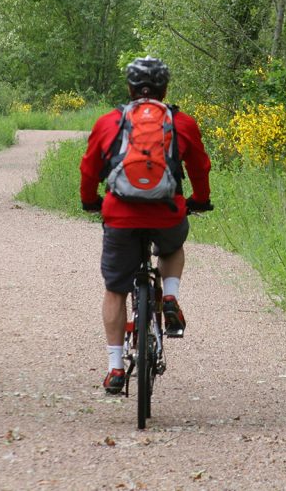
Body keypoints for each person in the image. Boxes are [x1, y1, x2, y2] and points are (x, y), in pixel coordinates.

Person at [79, 56, 213, 395]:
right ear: (165, 89)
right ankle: (169, 297)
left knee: (115, 289)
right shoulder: (181, 123)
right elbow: (200, 168)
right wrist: (200, 199)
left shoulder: (110, 122)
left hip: (120, 216)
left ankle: (114, 369)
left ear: (129, 87)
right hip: (167, 213)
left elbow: (89, 169)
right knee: (172, 246)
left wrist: (90, 201)